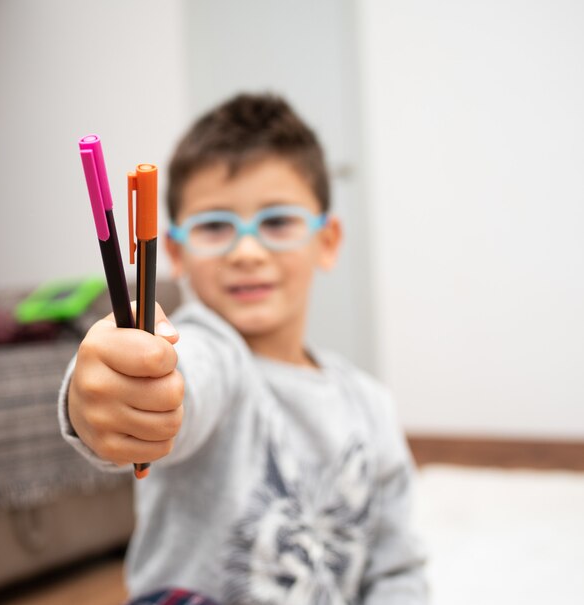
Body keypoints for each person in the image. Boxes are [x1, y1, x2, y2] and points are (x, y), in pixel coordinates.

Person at [59, 93, 427, 605]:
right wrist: (110, 391)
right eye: (214, 227)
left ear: (327, 240)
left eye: (277, 222)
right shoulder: (208, 350)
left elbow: (397, 569)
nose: (247, 251)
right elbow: (181, 382)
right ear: (177, 253)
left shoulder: (371, 405)